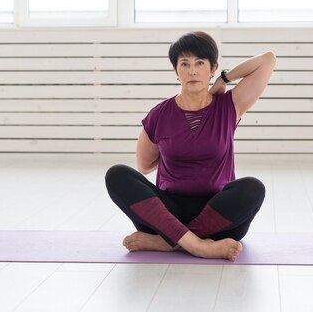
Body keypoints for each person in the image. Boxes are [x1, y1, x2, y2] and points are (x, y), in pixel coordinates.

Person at [105, 31, 276, 261]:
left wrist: (224, 80)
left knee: (253, 188)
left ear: (212, 68)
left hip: (219, 215)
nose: (192, 70)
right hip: (166, 213)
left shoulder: (229, 106)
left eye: (199, 63)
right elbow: (144, 167)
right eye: (184, 64)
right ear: (176, 71)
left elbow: (268, 59)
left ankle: (168, 243)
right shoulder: (159, 114)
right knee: (116, 174)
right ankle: (199, 246)